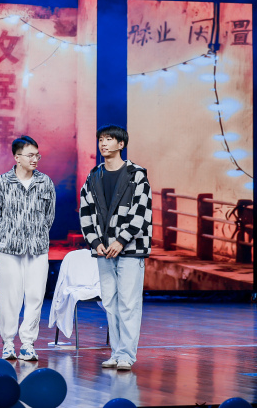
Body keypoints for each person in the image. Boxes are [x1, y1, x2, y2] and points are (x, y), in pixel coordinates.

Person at [80, 125, 152, 371]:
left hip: (130, 249)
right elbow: (85, 212)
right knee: (110, 303)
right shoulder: (94, 176)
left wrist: (121, 240)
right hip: (103, 249)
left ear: (121, 144)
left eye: (109, 139)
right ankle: (116, 352)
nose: (103, 143)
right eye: (101, 139)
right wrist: (95, 242)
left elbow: (141, 213)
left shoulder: (136, 175)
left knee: (129, 303)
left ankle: (126, 355)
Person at [0, 135, 56, 361]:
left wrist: (37, 234)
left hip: (38, 248)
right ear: (17, 157)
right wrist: (7, 235)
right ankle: (8, 343)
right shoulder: (1, 183)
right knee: (10, 297)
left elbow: (49, 216)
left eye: (37, 155)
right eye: (30, 155)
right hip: (8, 248)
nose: (35, 159)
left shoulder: (45, 182)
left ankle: (28, 344)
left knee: (35, 296)